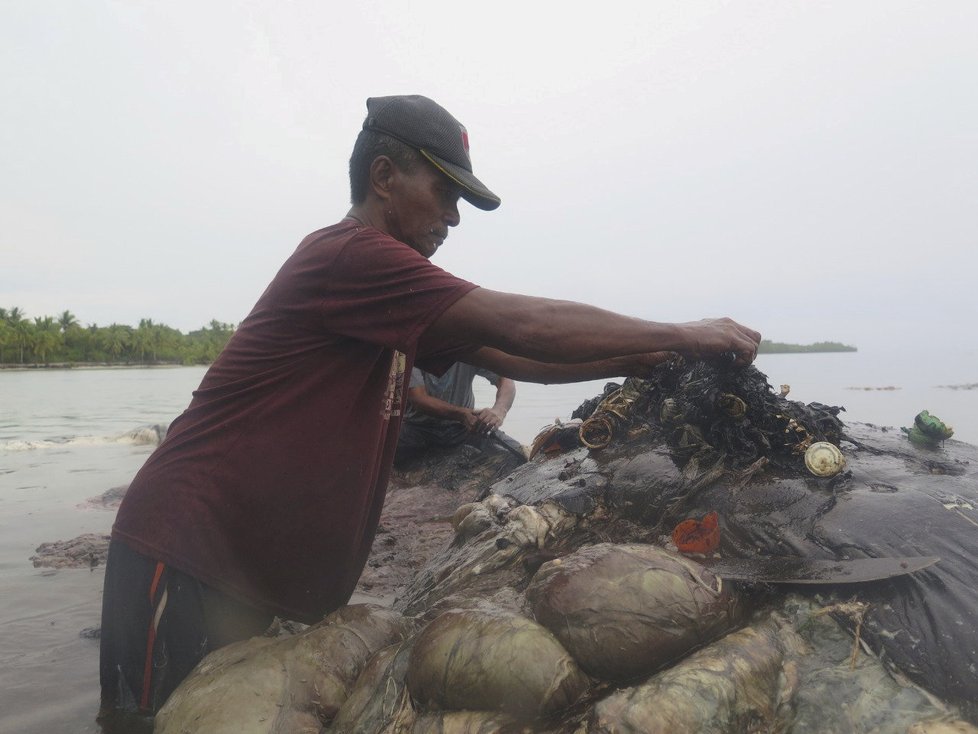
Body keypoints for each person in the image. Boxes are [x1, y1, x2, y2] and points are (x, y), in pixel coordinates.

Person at [98, 94, 761, 722]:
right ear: (384, 176)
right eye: (444, 192)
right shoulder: (352, 256)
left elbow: (512, 355)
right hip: (186, 545)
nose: (453, 217)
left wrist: (634, 361)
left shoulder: (385, 295)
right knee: (145, 721)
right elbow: (521, 323)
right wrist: (678, 333)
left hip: (241, 570)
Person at [394, 362, 524, 467]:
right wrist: (461, 414)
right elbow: (418, 399)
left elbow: (506, 379)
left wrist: (499, 410)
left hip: (464, 428)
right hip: (415, 428)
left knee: (520, 455)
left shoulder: (469, 346)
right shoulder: (414, 348)